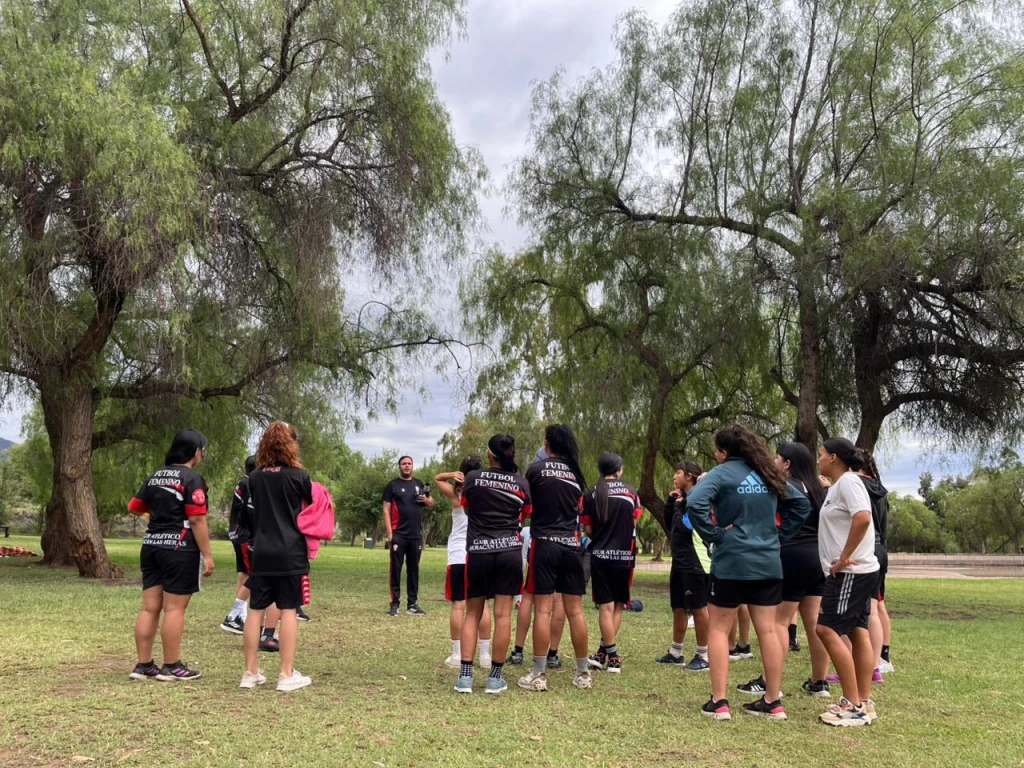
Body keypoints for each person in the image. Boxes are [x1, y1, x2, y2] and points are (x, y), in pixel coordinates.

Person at [686, 425, 811, 721]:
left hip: (731, 562)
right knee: (767, 629)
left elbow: (694, 502)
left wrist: (715, 535)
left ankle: (719, 702)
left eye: (716, 451)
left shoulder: (721, 473)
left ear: (724, 452)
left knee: (718, 628)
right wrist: (778, 535)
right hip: (768, 562)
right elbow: (801, 504)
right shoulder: (768, 473)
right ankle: (772, 701)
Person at [736, 442, 831, 698]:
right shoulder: (819, 489)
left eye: (777, 458)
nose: (774, 462)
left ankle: (768, 681)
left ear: (787, 464)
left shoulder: (785, 488)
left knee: (778, 621)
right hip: (817, 558)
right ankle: (818, 682)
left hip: (791, 555)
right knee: (814, 623)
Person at [128, 429, 214, 682]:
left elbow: (134, 507)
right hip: (179, 548)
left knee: (150, 607)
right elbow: (197, 519)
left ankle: (144, 665)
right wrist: (207, 555)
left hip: (151, 546)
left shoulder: (155, 476)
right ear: (196, 452)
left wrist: (153, 520)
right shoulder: (192, 479)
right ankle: (172, 666)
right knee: (174, 608)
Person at [454, 434, 531, 695]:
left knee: (473, 613)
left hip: (478, 552)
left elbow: (466, 509)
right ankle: (495, 678)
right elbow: (523, 515)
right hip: (509, 553)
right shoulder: (522, 483)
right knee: (503, 616)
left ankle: (465, 676)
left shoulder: (473, 479)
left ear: (490, 455)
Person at [241, 422, 315, 692]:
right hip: (290, 552)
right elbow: (310, 508)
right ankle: (285, 674)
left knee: (255, 611)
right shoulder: (299, 476)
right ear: (291, 444)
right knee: (289, 610)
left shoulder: (256, 478)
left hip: (261, 552)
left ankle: (250, 672)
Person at [518, 424, 592, 693]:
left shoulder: (536, 470)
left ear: (546, 443)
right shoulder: (576, 473)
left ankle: (538, 675)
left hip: (545, 544)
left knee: (544, 610)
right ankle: (583, 673)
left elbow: (525, 507)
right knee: (576, 611)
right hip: (572, 546)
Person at [815, 438, 881, 726]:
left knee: (825, 628)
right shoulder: (840, 486)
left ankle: (853, 705)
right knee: (856, 630)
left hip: (850, 573)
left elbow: (863, 518)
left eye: (820, 454)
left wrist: (843, 557)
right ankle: (863, 701)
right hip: (859, 571)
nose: (818, 459)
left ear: (833, 457)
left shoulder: (849, 483)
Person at [582, 452, 643, 674]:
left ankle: (604, 652)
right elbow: (635, 518)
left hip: (600, 556)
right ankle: (612, 656)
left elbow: (587, 529)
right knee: (618, 605)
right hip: (625, 557)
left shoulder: (591, 494)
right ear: (618, 470)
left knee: (605, 607)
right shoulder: (631, 492)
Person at [435, 457, 492, 669]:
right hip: (480, 552)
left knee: (458, 605)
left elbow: (437, 479)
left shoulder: (456, 494)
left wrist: (451, 475)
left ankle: (457, 655)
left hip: (458, 555)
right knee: (483, 604)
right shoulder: (486, 493)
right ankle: (485, 655)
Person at [655, 460, 710, 672]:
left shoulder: (698, 498)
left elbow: (685, 526)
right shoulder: (682, 499)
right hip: (679, 562)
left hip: (695, 561)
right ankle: (675, 652)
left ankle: (703, 655)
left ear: (689, 476)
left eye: (677, 472)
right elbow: (670, 526)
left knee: (698, 608)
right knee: (678, 606)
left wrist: (680, 506)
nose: (674, 477)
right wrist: (671, 503)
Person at [382, 455, 434, 616]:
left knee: (414, 570)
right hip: (399, 535)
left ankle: (412, 604)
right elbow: (386, 510)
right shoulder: (392, 486)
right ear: (399, 466)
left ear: (413, 466)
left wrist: (426, 499)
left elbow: (431, 503)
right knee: (396, 570)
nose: (406, 466)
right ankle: (394, 604)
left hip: (415, 536)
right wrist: (390, 534)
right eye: (404, 463)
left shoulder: (419, 484)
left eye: (409, 463)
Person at [857, 450, 891, 681]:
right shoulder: (880, 489)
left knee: (862, 611)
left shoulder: (855, 486)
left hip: (863, 549)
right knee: (876, 606)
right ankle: (877, 664)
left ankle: (863, 664)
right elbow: (884, 526)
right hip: (880, 549)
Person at [221, 455, 257, 635]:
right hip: (245, 535)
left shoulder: (243, 482)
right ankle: (235, 615)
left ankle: (240, 616)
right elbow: (249, 511)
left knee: (244, 573)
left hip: (238, 533)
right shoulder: (249, 484)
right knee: (255, 574)